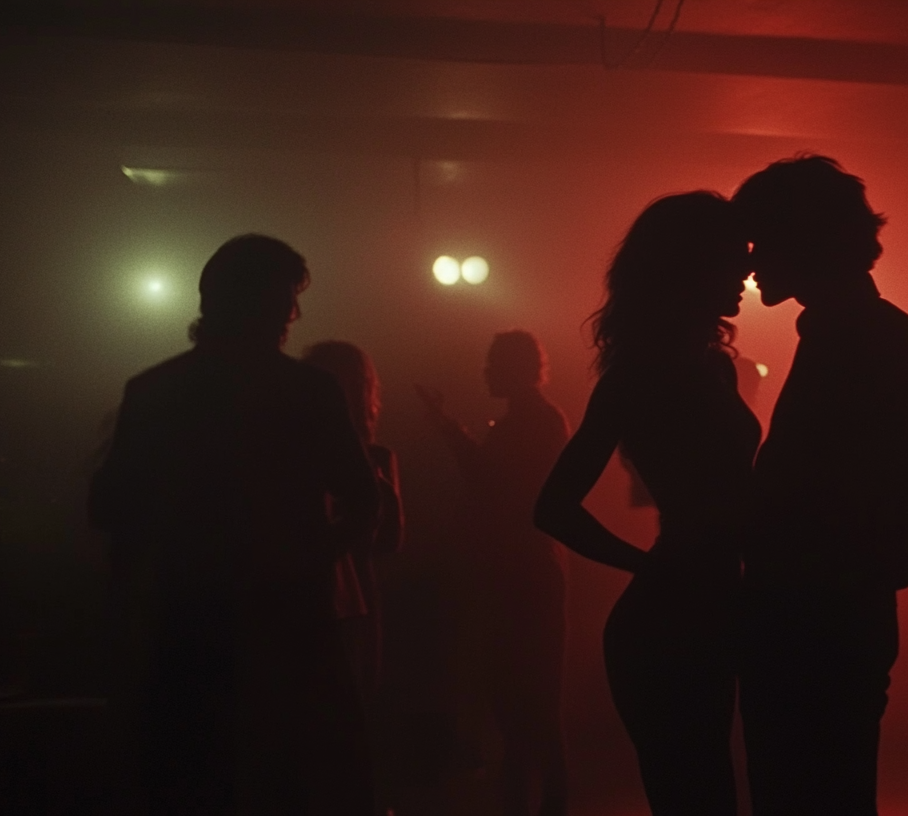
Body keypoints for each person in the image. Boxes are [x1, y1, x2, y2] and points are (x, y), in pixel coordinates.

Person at [89, 234, 379, 815]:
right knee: (301, 781)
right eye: (286, 298)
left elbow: (111, 510)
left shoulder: (154, 391)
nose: (292, 314)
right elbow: (365, 501)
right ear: (269, 304)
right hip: (291, 626)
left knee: (195, 780)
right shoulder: (308, 390)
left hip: (189, 623)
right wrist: (309, 560)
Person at [732, 155, 908, 816]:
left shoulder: (855, 343)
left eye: (758, 242)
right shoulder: (890, 339)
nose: (748, 263)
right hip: (838, 618)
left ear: (801, 241)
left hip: (811, 621)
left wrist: (802, 584)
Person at [534, 191, 757, 816]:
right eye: (729, 259)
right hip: (677, 619)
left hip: (700, 606)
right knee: (703, 790)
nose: (744, 272)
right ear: (691, 268)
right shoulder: (643, 376)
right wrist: (652, 568)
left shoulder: (708, 368)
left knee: (705, 788)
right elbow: (552, 506)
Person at [416, 329, 570, 816]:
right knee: (530, 704)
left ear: (516, 368)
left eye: (493, 363)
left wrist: (446, 427)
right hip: (527, 573)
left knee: (525, 703)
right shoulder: (536, 419)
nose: (485, 372)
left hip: (522, 576)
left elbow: (492, 483)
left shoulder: (533, 421)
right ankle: (542, 803)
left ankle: (537, 805)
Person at [301, 340, 405, 697]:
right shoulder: (297, 448)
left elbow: (392, 540)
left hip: (352, 590)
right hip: (319, 590)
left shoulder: (376, 456)